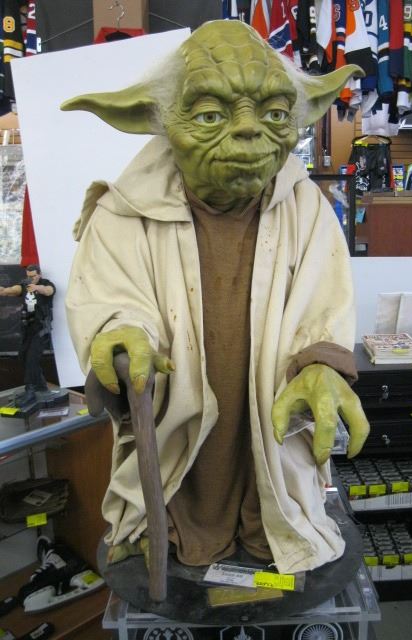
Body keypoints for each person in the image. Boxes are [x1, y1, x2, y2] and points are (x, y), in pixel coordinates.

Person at [62, 20, 370, 575]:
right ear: (161, 120)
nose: (249, 132)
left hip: (268, 420)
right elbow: (109, 298)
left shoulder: (306, 209)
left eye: (274, 114)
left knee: (273, 495)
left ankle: (267, 525)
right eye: (209, 115)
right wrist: (121, 334)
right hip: (178, 426)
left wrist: (321, 365)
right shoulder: (122, 213)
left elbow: (325, 302)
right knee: (175, 503)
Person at [0, 264, 55, 405]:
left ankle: (30, 388)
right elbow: (12, 290)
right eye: (28, 276)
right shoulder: (24, 285)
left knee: (32, 359)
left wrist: (37, 288)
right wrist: (3, 290)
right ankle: (41, 385)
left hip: (41, 329)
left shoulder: (46, 284)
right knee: (23, 356)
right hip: (28, 328)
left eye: (33, 276)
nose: (31, 278)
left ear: (39, 274)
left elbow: (48, 291)